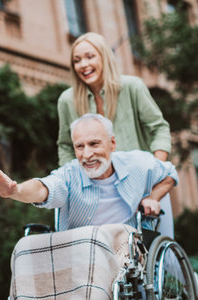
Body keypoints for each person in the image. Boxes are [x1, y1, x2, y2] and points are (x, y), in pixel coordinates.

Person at [57, 32, 174, 236]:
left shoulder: (132, 87)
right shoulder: (67, 100)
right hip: (99, 192)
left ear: (104, 57)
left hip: (144, 183)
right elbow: (65, 145)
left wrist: (156, 172)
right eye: (77, 60)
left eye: (90, 56)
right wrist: (73, 183)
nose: (83, 64)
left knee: (160, 255)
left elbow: (159, 128)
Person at [0, 114, 177, 231]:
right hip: (79, 256)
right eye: (79, 146)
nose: (87, 154)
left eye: (94, 144)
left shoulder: (137, 163)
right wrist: (14, 190)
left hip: (127, 256)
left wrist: (153, 197)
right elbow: (44, 188)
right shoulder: (70, 175)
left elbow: (169, 174)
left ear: (112, 143)